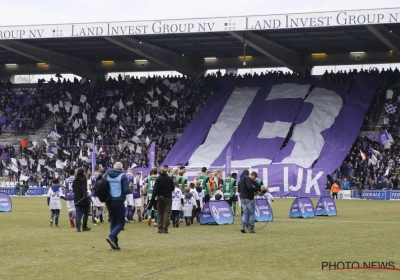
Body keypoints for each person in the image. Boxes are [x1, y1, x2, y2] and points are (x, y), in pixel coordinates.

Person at [105, 162, 131, 250]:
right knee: (121, 222)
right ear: (121, 168)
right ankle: (112, 236)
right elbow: (126, 190)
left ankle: (114, 244)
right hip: (118, 200)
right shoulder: (123, 176)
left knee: (113, 221)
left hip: (109, 200)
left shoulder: (107, 174)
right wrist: (131, 188)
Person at [149, 165, 174, 234]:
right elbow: (173, 188)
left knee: (160, 212)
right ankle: (165, 228)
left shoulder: (158, 179)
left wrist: (152, 199)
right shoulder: (170, 179)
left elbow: (155, 190)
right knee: (167, 213)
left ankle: (160, 228)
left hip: (160, 198)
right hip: (168, 198)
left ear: (160, 171)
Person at [72, 167, 91, 232]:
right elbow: (84, 188)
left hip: (77, 198)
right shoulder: (83, 179)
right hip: (83, 199)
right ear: (83, 172)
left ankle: (78, 227)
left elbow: (73, 188)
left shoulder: (75, 180)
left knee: (78, 213)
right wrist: (85, 195)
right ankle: (84, 227)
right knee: (85, 213)